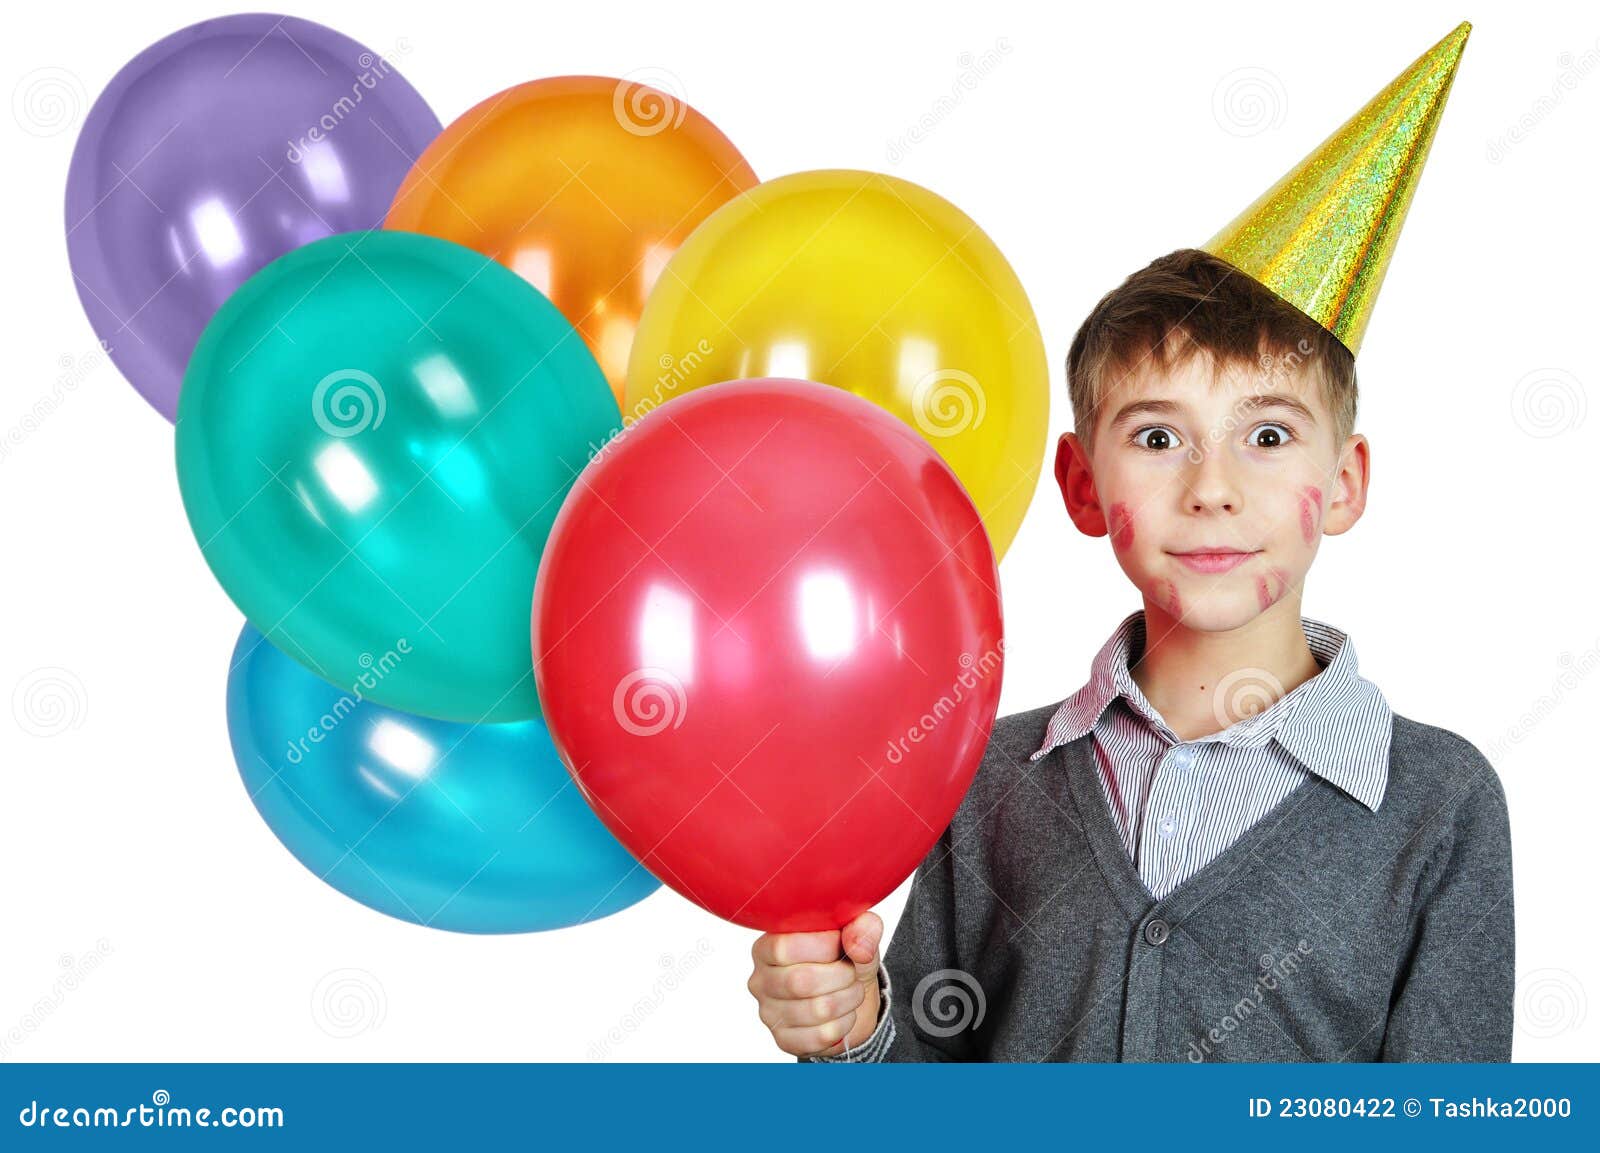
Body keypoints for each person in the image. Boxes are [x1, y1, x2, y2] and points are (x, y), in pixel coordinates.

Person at [748, 21, 1514, 1062]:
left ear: (1342, 485)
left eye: (1268, 435)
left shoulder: (1437, 803)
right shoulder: (986, 778)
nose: (1210, 489)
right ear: (1080, 483)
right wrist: (857, 1033)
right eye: (1157, 437)